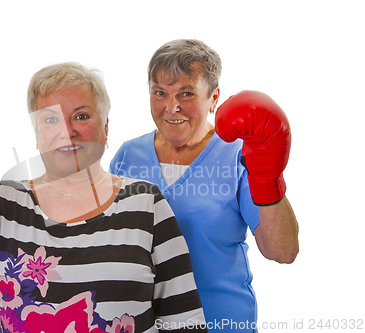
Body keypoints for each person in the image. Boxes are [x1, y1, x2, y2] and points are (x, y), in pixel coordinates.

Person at [0, 63, 208, 332]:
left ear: (105, 127)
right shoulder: (1, 203)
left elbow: (184, 320)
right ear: (37, 134)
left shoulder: (146, 203)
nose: (67, 131)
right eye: (50, 119)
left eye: (81, 116)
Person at [109, 39, 299, 332]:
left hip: (221, 323)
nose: (171, 108)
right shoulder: (128, 156)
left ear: (214, 98)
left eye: (186, 94)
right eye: (160, 93)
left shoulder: (239, 155)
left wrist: (267, 175)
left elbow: (282, 251)